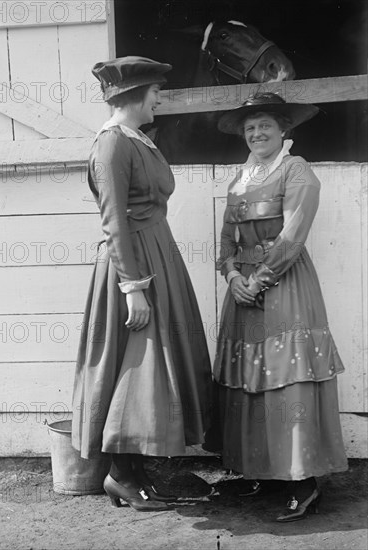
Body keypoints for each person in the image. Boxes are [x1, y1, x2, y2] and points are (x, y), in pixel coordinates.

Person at [71, 56, 212, 512]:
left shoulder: (137, 140)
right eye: (155, 92)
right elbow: (114, 221)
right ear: (136, 94)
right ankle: (121, 475)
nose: (159, 99)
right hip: (131, 266)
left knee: (150, 369)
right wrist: (132, 287)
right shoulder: (111, 144)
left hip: (157, 256)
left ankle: (135, 472)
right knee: (131, 367)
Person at [212, 92, 348, 522]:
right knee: (250, 378)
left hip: (284, 285)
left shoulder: (297, 170)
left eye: (265, 126)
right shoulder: (241, 179)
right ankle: (259, 470)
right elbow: (226, 241)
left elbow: (292, 235)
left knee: (287, 379)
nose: (257, 134)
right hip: (244, 294)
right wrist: (234, 278)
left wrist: (258, 280)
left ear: (284, 129)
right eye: (250, 128)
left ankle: (302, 481)